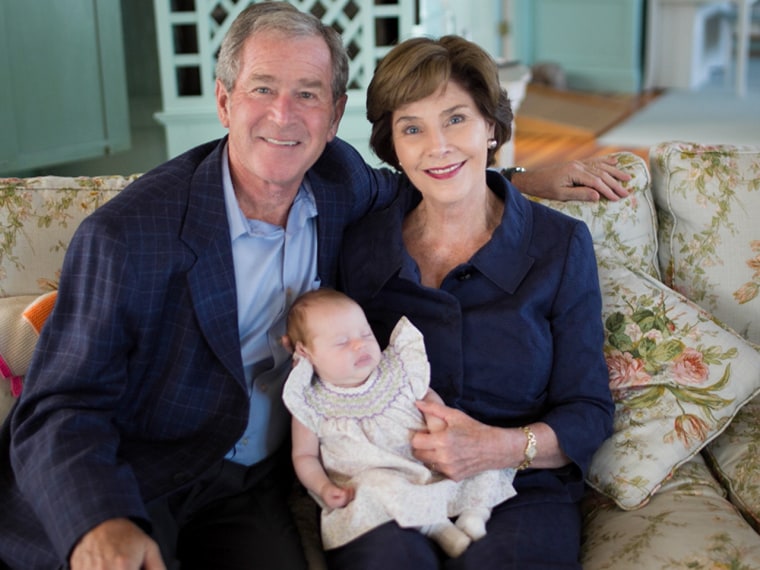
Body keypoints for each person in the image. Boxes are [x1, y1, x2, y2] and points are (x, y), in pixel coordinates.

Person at [0, 3, 621, 570]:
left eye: (307, 94)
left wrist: (521, 176)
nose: (283, 115)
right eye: (262, 89)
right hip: (147, 467)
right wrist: (98, 522)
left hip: (256, 487)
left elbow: (437, 174)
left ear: (333, 117)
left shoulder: (338, 183)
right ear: (223, 101)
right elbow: (61, 405)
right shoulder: (126, 235)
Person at [334, 35, 615, 569]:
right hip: (391, 477)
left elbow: (589, 411)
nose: (436, 145)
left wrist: (496, 447)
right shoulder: (361, 244)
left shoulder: (559, 246)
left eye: (456, 119)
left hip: (518, 487)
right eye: (412, 128)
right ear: (393, 146)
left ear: (491, 127)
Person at [282, 289, 516, 559]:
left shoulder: (395, 370)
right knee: (375, 487)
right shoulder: (311, 401)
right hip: (378, 476)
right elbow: (304, 455)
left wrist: (438, 424)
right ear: (306, 352)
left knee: (482, 461)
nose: (359, 344)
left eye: (366, 334)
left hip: (431, 463)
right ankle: (436, 528)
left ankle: (475, 514)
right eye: (342, 342)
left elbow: (426, 396)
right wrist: (323, 487)